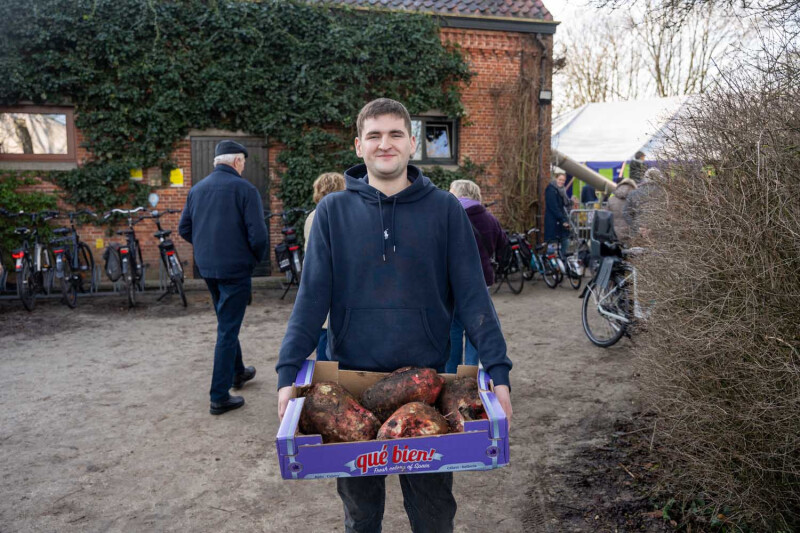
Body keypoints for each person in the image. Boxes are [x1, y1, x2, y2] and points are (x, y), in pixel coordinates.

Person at [276, 98, 512, 533]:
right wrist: (287, 374)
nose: (385, 144)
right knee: (362, 516)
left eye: (395, 134)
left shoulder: (444, 210)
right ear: (359, 146)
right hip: (352, 392)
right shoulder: (332, 213)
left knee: (433, 513)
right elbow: (310, 302)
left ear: (413, 142)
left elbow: (475, 300)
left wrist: (498, 374)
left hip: (428, 388)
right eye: (374, 136)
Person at [178, 140, 268, 415]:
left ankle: (238, 372)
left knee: (226, 321)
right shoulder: (245, 189)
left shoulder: (197, 189)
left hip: (208, 268)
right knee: (227, 329)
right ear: (238, 162)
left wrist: (207, 249)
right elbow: (259, 236)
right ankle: (219, 396)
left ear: (217, 162)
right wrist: (252, 259)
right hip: (235, 269)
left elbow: (184, 229)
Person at [446, 179, 508, 374]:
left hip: (452, 282)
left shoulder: (449, 217)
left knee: (453, 330)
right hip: (481, 282)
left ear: (457, 194)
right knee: (477, 329)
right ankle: (471, 377)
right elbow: (504, 248)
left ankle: (451, 373)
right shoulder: (490, 219)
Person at [303, 172, 346, 362]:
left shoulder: (313, 215)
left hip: (319, 284)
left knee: (323, 337)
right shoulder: (342, 215)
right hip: (337, 286)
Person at [624, 168, 662, 238]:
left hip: (637, 234)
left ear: (645, 178)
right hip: (659, 235)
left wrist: (637, 228)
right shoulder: (665, 194)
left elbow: (626, 213)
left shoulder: (634, 193)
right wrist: (653, 229)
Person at [544, 168, 571, 258]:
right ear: (556, 178)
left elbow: (564, 204)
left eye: (563, 180)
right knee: (552, 245)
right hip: (553, 222)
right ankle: (551, 265)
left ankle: (562, 262)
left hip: (560, 223)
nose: (561, 182)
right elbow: (554, 207)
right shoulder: (551, 190)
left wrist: (571, 202)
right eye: (560, 179)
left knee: (565, 241)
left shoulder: (562, 190)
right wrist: (563, 220)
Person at [607, 178, 637, 242]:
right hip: (630, 234)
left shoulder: (611, 200)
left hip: (614, 234)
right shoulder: (636, 199)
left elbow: (606, 217)